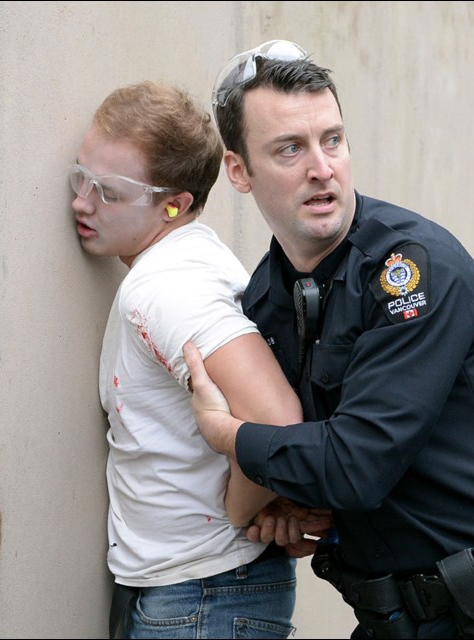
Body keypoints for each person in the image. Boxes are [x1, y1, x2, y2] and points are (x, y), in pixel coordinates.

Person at [180, 39, 474, 639]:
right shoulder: (266, 298)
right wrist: (293, 509)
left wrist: (229, 436)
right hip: (397, 615)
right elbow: (326, 456)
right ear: (238, 171)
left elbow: (357, 465)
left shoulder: (413, 269)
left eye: (332, 139)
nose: (321, 168)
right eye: (289, 149)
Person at [71, 80, 330, 639]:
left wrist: (238, 515)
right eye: (80, 178)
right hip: (201, 588)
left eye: (109, 191)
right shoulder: (193, 260)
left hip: (202, 595)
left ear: (175, 203)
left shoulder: (168, 287)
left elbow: (275, 420)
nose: (81, 203)